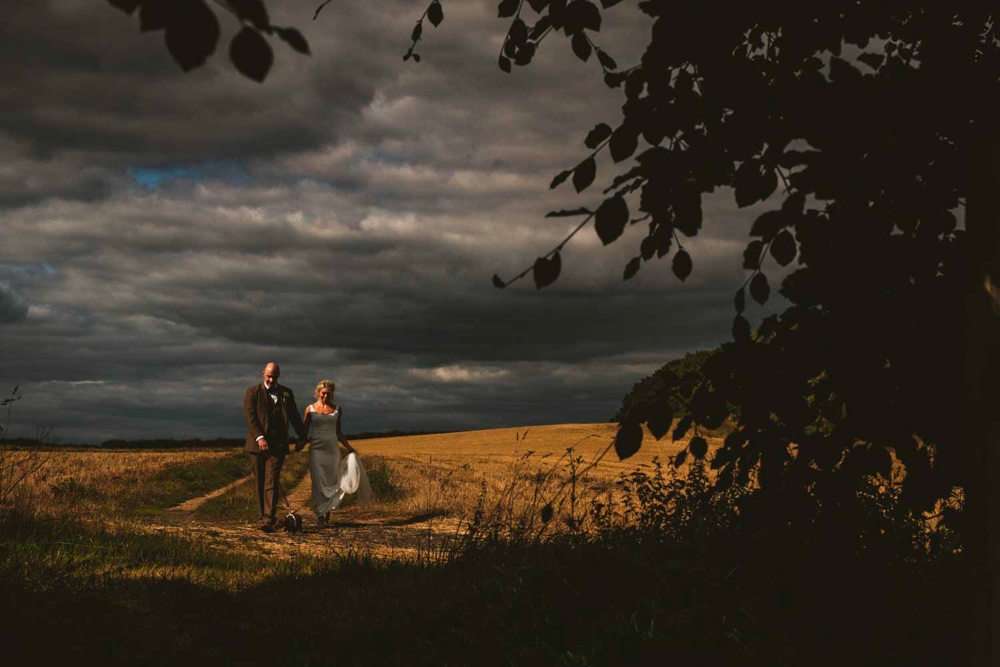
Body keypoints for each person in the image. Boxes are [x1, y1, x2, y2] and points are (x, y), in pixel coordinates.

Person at [243, 362, 306, 532]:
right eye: (268, 376)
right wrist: (260, 438)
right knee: (260, 481)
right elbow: (251, 417)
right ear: (263, 373)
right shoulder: (252, 392)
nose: (271, 380)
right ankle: (261, 516)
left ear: (279, 375)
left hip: (278, 445)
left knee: (272, 481)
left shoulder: (286, 393)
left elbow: (294, 416)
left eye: (274, 377)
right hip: (257, 446)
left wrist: (302, 435)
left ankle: (268, 519)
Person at [302, 379, 372, 525]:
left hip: (332, 450)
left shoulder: (337, 410)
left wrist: (348, 447)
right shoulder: (310, 409)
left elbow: (339, 433)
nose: (326, 397)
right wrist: (299, 444)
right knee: (318, 483)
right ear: (318, 393)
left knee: (331, 481)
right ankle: (319, 515)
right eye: (323, 394)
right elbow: (304, 431)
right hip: (316, 450)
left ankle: (327, 512)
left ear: (332, 394)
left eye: (329, 394)